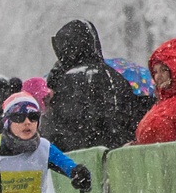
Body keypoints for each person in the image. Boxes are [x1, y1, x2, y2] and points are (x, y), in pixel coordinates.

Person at [43, 19, 136, 151]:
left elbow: (64, 128)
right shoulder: (115, 77)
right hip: (116, 156)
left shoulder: (70, 81)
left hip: (80, 158)